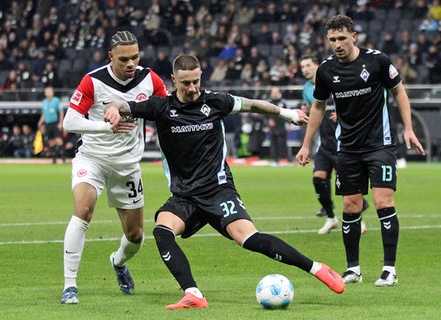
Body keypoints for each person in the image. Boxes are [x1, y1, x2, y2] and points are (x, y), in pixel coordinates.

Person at [104, 54, 344, 310]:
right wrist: (112, 108)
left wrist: (286, 113)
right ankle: (193, 293)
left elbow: (252, 105)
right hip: (184, 196)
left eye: (196, 81)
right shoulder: (161, 107)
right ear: (174, 80)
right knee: (162, 231)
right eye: (186, 83)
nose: (193, 88)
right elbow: (122, 105)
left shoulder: (216, 101)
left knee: (249, 239)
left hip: (218, 191)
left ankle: (317, 268)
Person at [296, 15, 425, 287]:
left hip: (380, 145)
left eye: (342, 38)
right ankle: (353, 268)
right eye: (332, 39)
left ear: (354, 37)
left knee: (382, 202)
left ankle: (389, 269)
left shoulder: (377, 61)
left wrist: (409, 128)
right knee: (350, 206)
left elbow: (399, 92)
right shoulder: (326, 70)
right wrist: (306, 144)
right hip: (348, 149)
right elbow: (318, 107)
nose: (337, 44)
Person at [60, 30, 168, 304]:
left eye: (135, 57)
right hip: (92, 158)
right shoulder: (93, 81)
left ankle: (118, 262)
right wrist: (105, 127)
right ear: (111, 57)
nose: (131, 63)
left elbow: (165, 110)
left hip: (128, 165)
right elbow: (69, 122)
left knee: (135, 235)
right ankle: (69, 286)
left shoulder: (149, 79)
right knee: (83, 210)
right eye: (124, 59)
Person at [299, 54, 370, 234]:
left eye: (308, 65)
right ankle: (331, 218)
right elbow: (315, 110)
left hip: (343, 141)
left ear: (317, 66)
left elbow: (353, 100)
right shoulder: (307, 89)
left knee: (347, 183)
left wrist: (343, 113)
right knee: (318, 179)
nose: (305, 69)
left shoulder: (332, 80)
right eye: (302, 67)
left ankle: (358, 219)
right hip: (325, 142)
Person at [37, 86, 64, 164]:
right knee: (51, 142)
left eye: (49, 91)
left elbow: (61, 112)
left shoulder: (56, 100)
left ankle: (63, 157)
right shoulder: (44, 102)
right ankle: (54, 158)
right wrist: (40, 122)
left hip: (54, 123)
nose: (48, 93)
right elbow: (44, 114)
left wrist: (60, 122)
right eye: (47, 91)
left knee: (58, 140)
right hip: (47, 123)